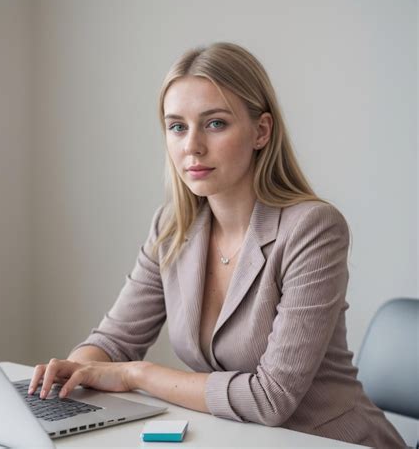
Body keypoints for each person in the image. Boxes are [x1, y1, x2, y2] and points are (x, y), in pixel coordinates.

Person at [29, 42, 406, 448]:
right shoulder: (172, 228)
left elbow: (270, 398)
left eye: (215, 124)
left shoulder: (313, 228)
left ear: (261, 131)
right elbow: (114, 342)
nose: (192, 145)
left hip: (328, 441)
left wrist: (134, 374)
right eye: (177, 126)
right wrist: (74, 373)